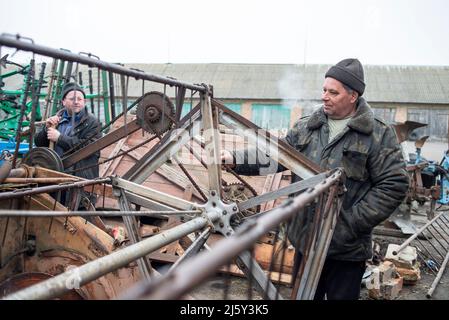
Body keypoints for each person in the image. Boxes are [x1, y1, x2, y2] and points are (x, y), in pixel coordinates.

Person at [221, 58, 409, 300]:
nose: (324, 97)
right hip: (306, 243)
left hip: (346, 250)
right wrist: (234, 158)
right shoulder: (307, 127)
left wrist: (347, 225)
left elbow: (394, 185)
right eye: (324, 90)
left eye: (333, 92)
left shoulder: (378, 134)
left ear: (353, 96)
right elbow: (275, 156)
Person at [35, 82, 102, 206]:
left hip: (79, 180)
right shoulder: (57, 120)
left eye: (80, 99)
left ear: (84, 102)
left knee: (77, 220)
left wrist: (59, 138)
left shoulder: (93, 123)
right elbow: (39, 144)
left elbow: (89, 148)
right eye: (72, 99)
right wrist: (46, 129)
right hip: (55, 177)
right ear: (63, 102)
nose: (76, 102)